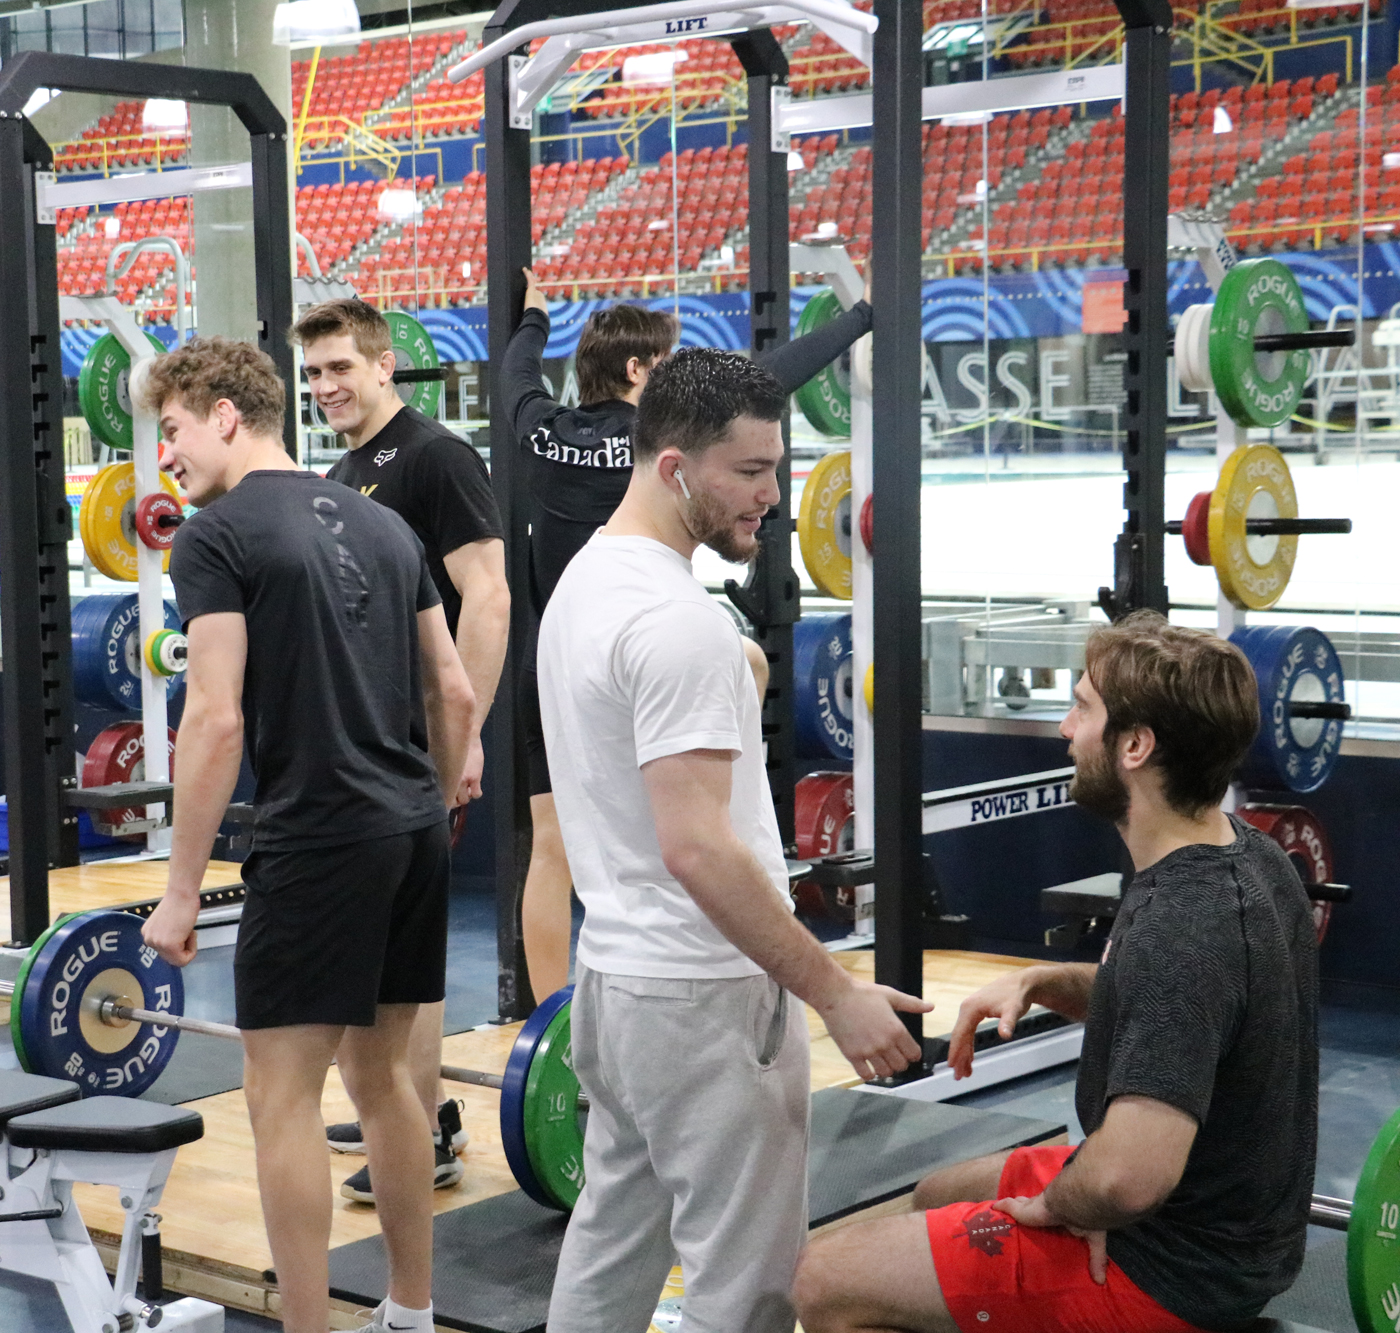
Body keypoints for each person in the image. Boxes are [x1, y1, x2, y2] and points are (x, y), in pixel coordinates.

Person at [539, 347, 929, 1333]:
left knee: (610, 1244)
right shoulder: (679, 624)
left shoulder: (588, 581)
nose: (770, 495)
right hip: (703, 997)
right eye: (748, 473)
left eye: (774, 468)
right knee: (746, 1285)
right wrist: (833, 992)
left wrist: (734, 664)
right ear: (672, 467)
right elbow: (698, 849)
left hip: (616, 983)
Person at [792, 611, 1318, 1333]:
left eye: (1083, 708)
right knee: (939, 1191)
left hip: (1169, 1271)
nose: (1067, 729)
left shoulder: (1184, 921)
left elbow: (1130, 1176)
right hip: (1223, 1230)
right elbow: (1191, 1017)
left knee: (821, 1282)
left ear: (1135, 746)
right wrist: (1045, 983)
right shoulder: (1247, 858)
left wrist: (1064, 1206)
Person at [140, 336, 476, 1333]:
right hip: (409, 826)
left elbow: (213, 718)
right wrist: (429, 800)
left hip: (319, 837)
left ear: (226, 416)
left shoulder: (213, 535)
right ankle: (409, 1312)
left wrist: (179, 888)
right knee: (382, 1081)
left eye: (171, 428)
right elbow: (450, 688)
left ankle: (308, 1328)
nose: (164, 454)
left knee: (277, 1093)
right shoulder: (381, 524)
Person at [503, 269, 875, 997]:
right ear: (640, 370)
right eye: (668, 365)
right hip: (640, 662)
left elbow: (516, 378)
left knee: (552, 851)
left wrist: (534, 318)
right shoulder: (662, 444)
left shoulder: (545, 431)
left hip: (553, 661)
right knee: (738, 672)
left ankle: (545, 1026)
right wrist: (860, 316)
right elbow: (775, 373)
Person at [295, 297, 508, 1200]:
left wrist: (468, 735)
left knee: (406, 967)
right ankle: (400, 1114)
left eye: (340, 367)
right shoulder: (346, 470)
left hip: (426, 739)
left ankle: (423, 1140)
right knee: (385, 954)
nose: (325, 387)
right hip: (373, 739)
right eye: (312, 374)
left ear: (385, 364)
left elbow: (489, 595)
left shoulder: (435, 456)